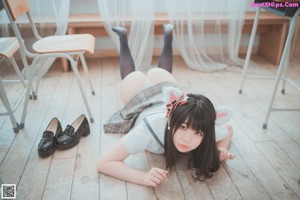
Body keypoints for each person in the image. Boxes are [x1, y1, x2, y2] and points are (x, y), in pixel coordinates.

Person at [97, 24, 235, 187]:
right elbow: (103, 162)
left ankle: (168, 37)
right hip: (141, 100)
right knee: (132, 75)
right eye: (183, 127)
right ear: (170, 120)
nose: (187, 138)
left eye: (197, 132)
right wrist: (142, 177)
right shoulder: (150, 128)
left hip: (168, 95)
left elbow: (228, 129)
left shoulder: (204, 125)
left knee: (159, 73)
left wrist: (221, 148)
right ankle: (124, 38)